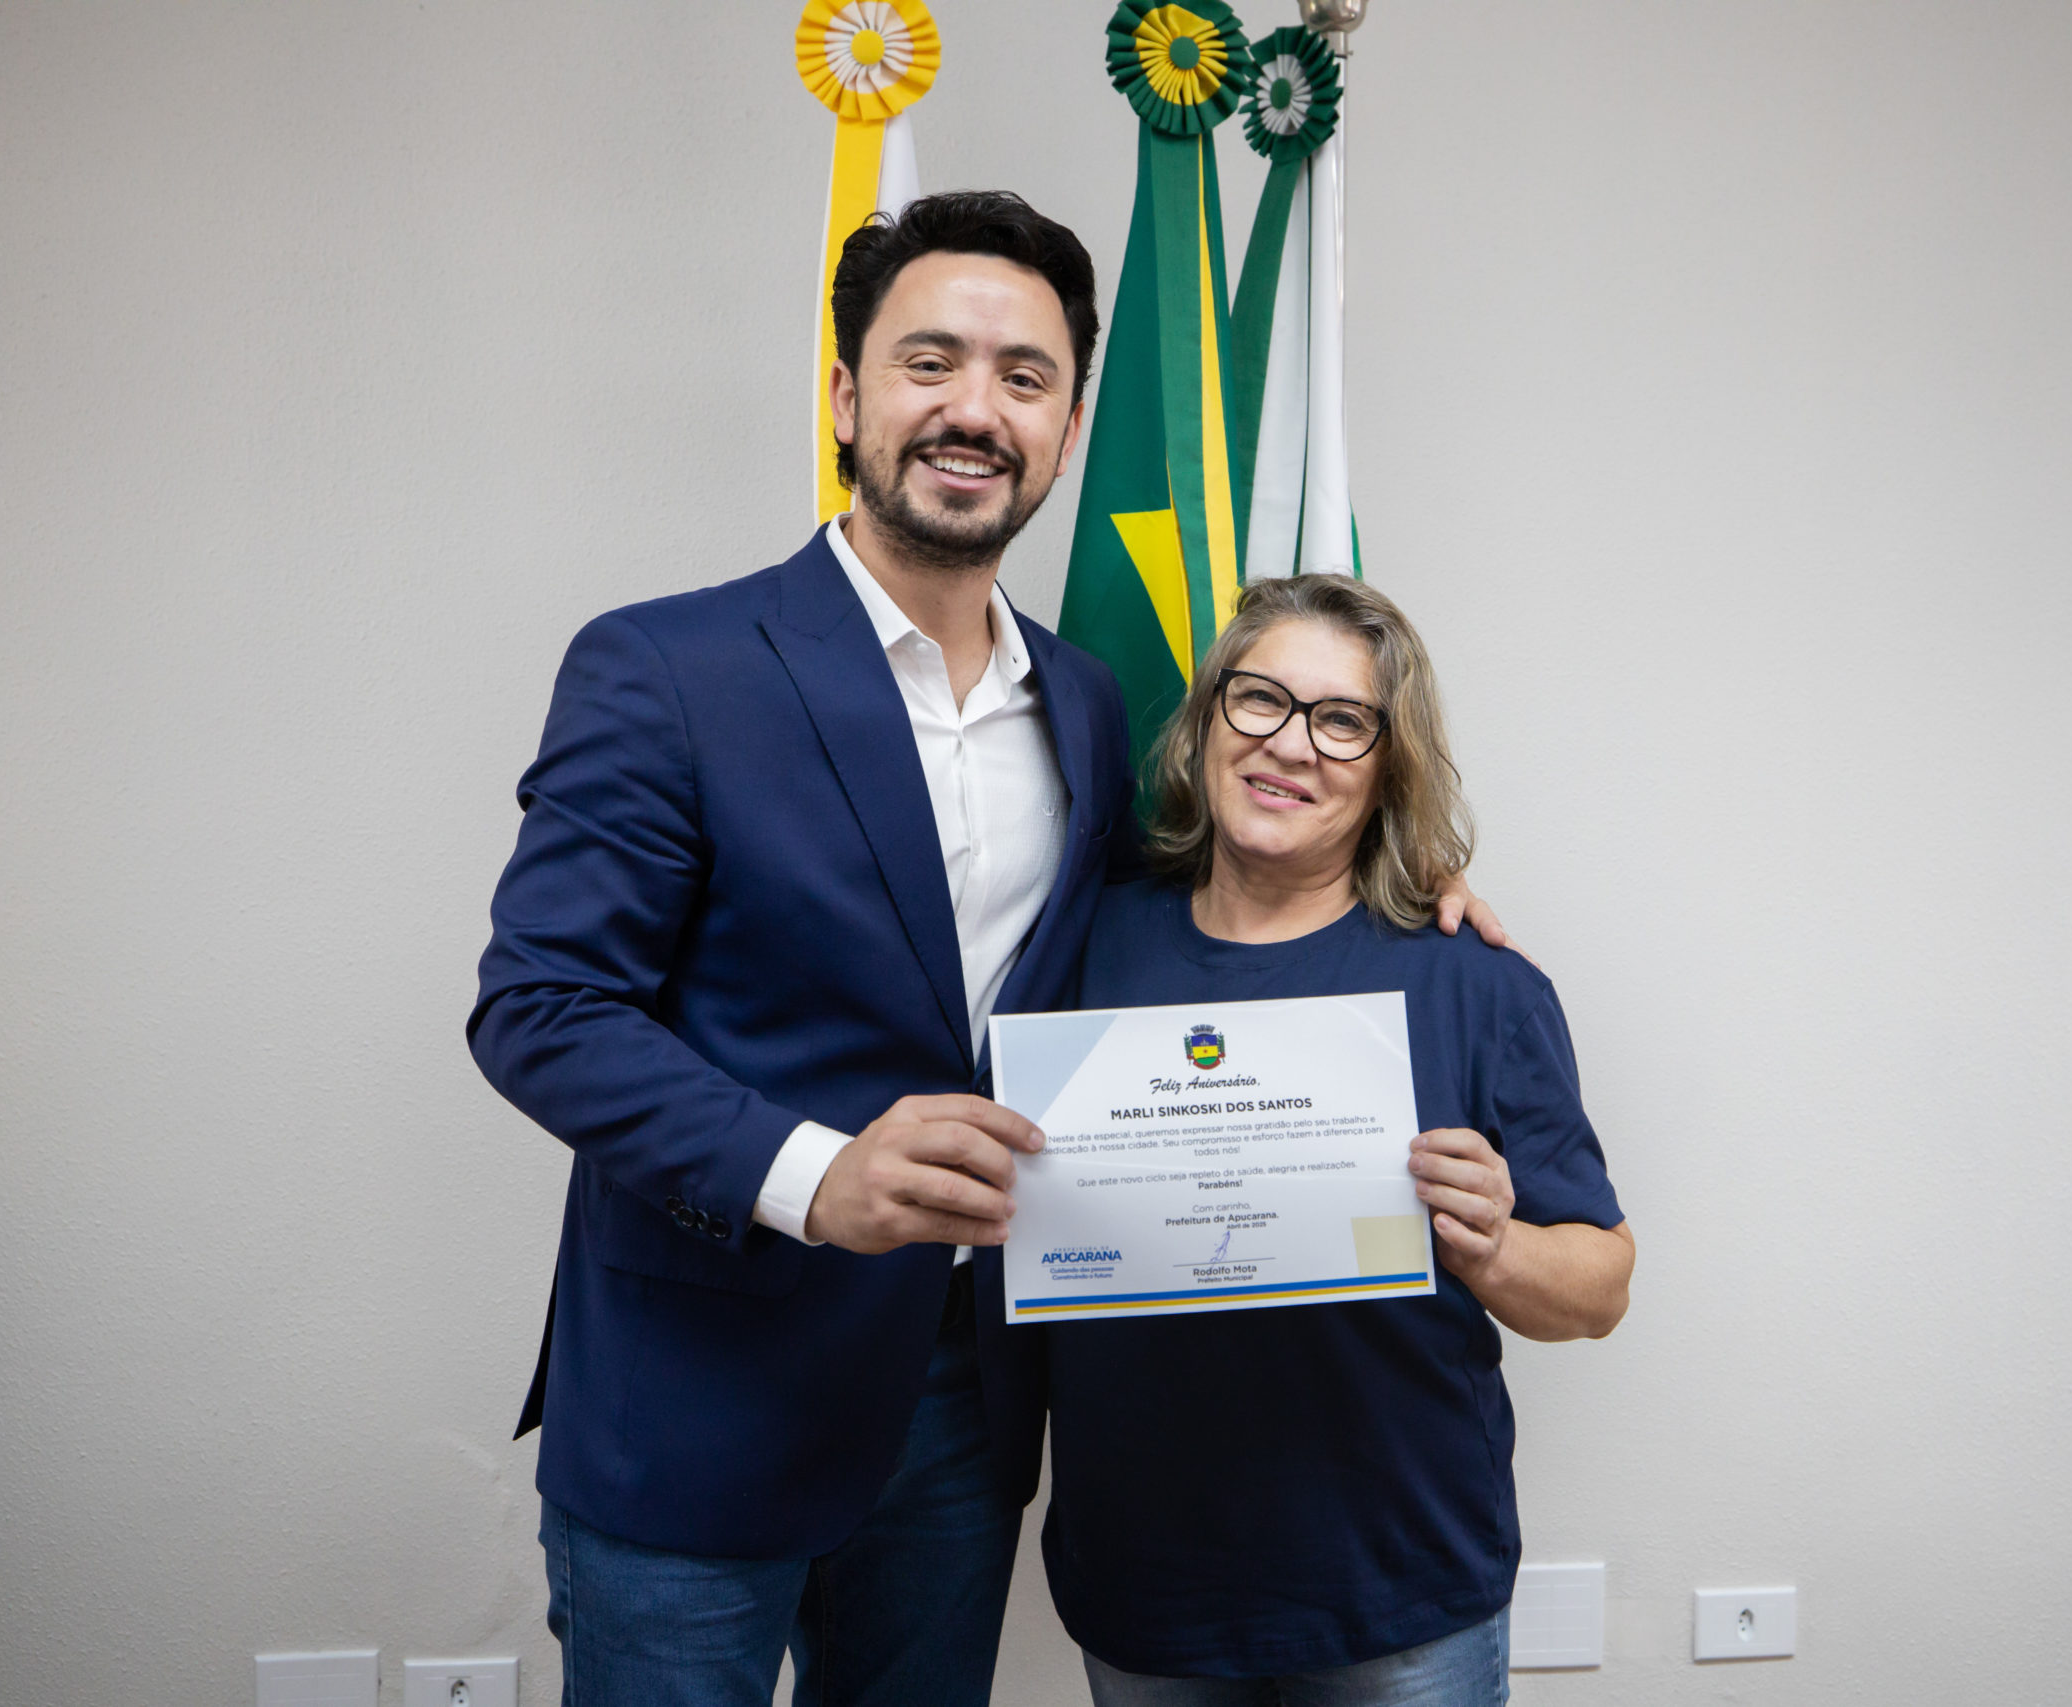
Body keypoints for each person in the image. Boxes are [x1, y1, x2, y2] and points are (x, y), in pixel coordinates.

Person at [468, 193, 1506, 1707]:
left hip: (965, 1406)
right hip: (697, 1390)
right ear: (845, 395)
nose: (975, 408)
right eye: (930, 361)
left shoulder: (1089, 704)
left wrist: (1415, 869)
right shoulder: (665, 665)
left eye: (1024, 377)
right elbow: (543, 1005)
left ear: (1070, 428)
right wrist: (814, 1173)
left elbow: (1198, 896)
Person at [1040, 574, 1637, 1707]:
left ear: (1387, 765)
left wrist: (1494, 1244)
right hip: (1146, 1591)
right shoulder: (1084, 942)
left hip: (1398, 1598)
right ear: (1208, 717)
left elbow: (1601, 1288)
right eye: (1260, 698)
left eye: (1342, 720)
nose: (1290, 743)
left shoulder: (1476, 984)